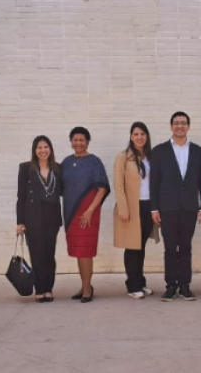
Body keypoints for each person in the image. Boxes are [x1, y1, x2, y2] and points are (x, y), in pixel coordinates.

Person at [150, 111, 201, 302]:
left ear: (188, 127)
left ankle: (184, 286)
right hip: (167, 207)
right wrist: (154, 208)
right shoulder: (159, 151)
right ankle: (170, 286)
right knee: (169, 248)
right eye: (176, 123)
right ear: (171, 126)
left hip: (189, 208)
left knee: (185, 247)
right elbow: (154, 182)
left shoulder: (198, 152)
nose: (180, 126)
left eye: (183, 123)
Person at [61, 127, 110, 303]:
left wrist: (89, 210)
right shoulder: (66, 162)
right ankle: (84, 285)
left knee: (85, 251)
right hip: (70, 212)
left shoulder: (94, 162)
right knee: (78, 251)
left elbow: (102, 188)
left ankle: (88, 289)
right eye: (75, 140)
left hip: (88, 213)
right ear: (71, 142)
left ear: (87, 142)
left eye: (82, 140)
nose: (78, 143)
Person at [113, 121, 160, 299]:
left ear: (146, 136)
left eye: (142, 134)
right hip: (132, 208)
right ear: (131, 137)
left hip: (149, 207)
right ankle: (132, 285)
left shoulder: (151, 157)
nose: (139, 137)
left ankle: (140, 281)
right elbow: (118, 185)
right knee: (132, 247)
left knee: (141, 246)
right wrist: (123, 209)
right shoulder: (123, 157)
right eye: (136, 134)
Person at [15, 135, 64, 303]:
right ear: (34, 150)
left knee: (49, 254)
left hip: (52, 215)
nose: (43, 150)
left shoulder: (58, 168)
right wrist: (20, 221)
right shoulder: (26, 168)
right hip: (32, 216)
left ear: (50, 149)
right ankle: (40, 289)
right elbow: (21, 196)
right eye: (39, 147)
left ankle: (48, 288)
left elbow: (64, 190)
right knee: (37, 254)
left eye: (46, 147)